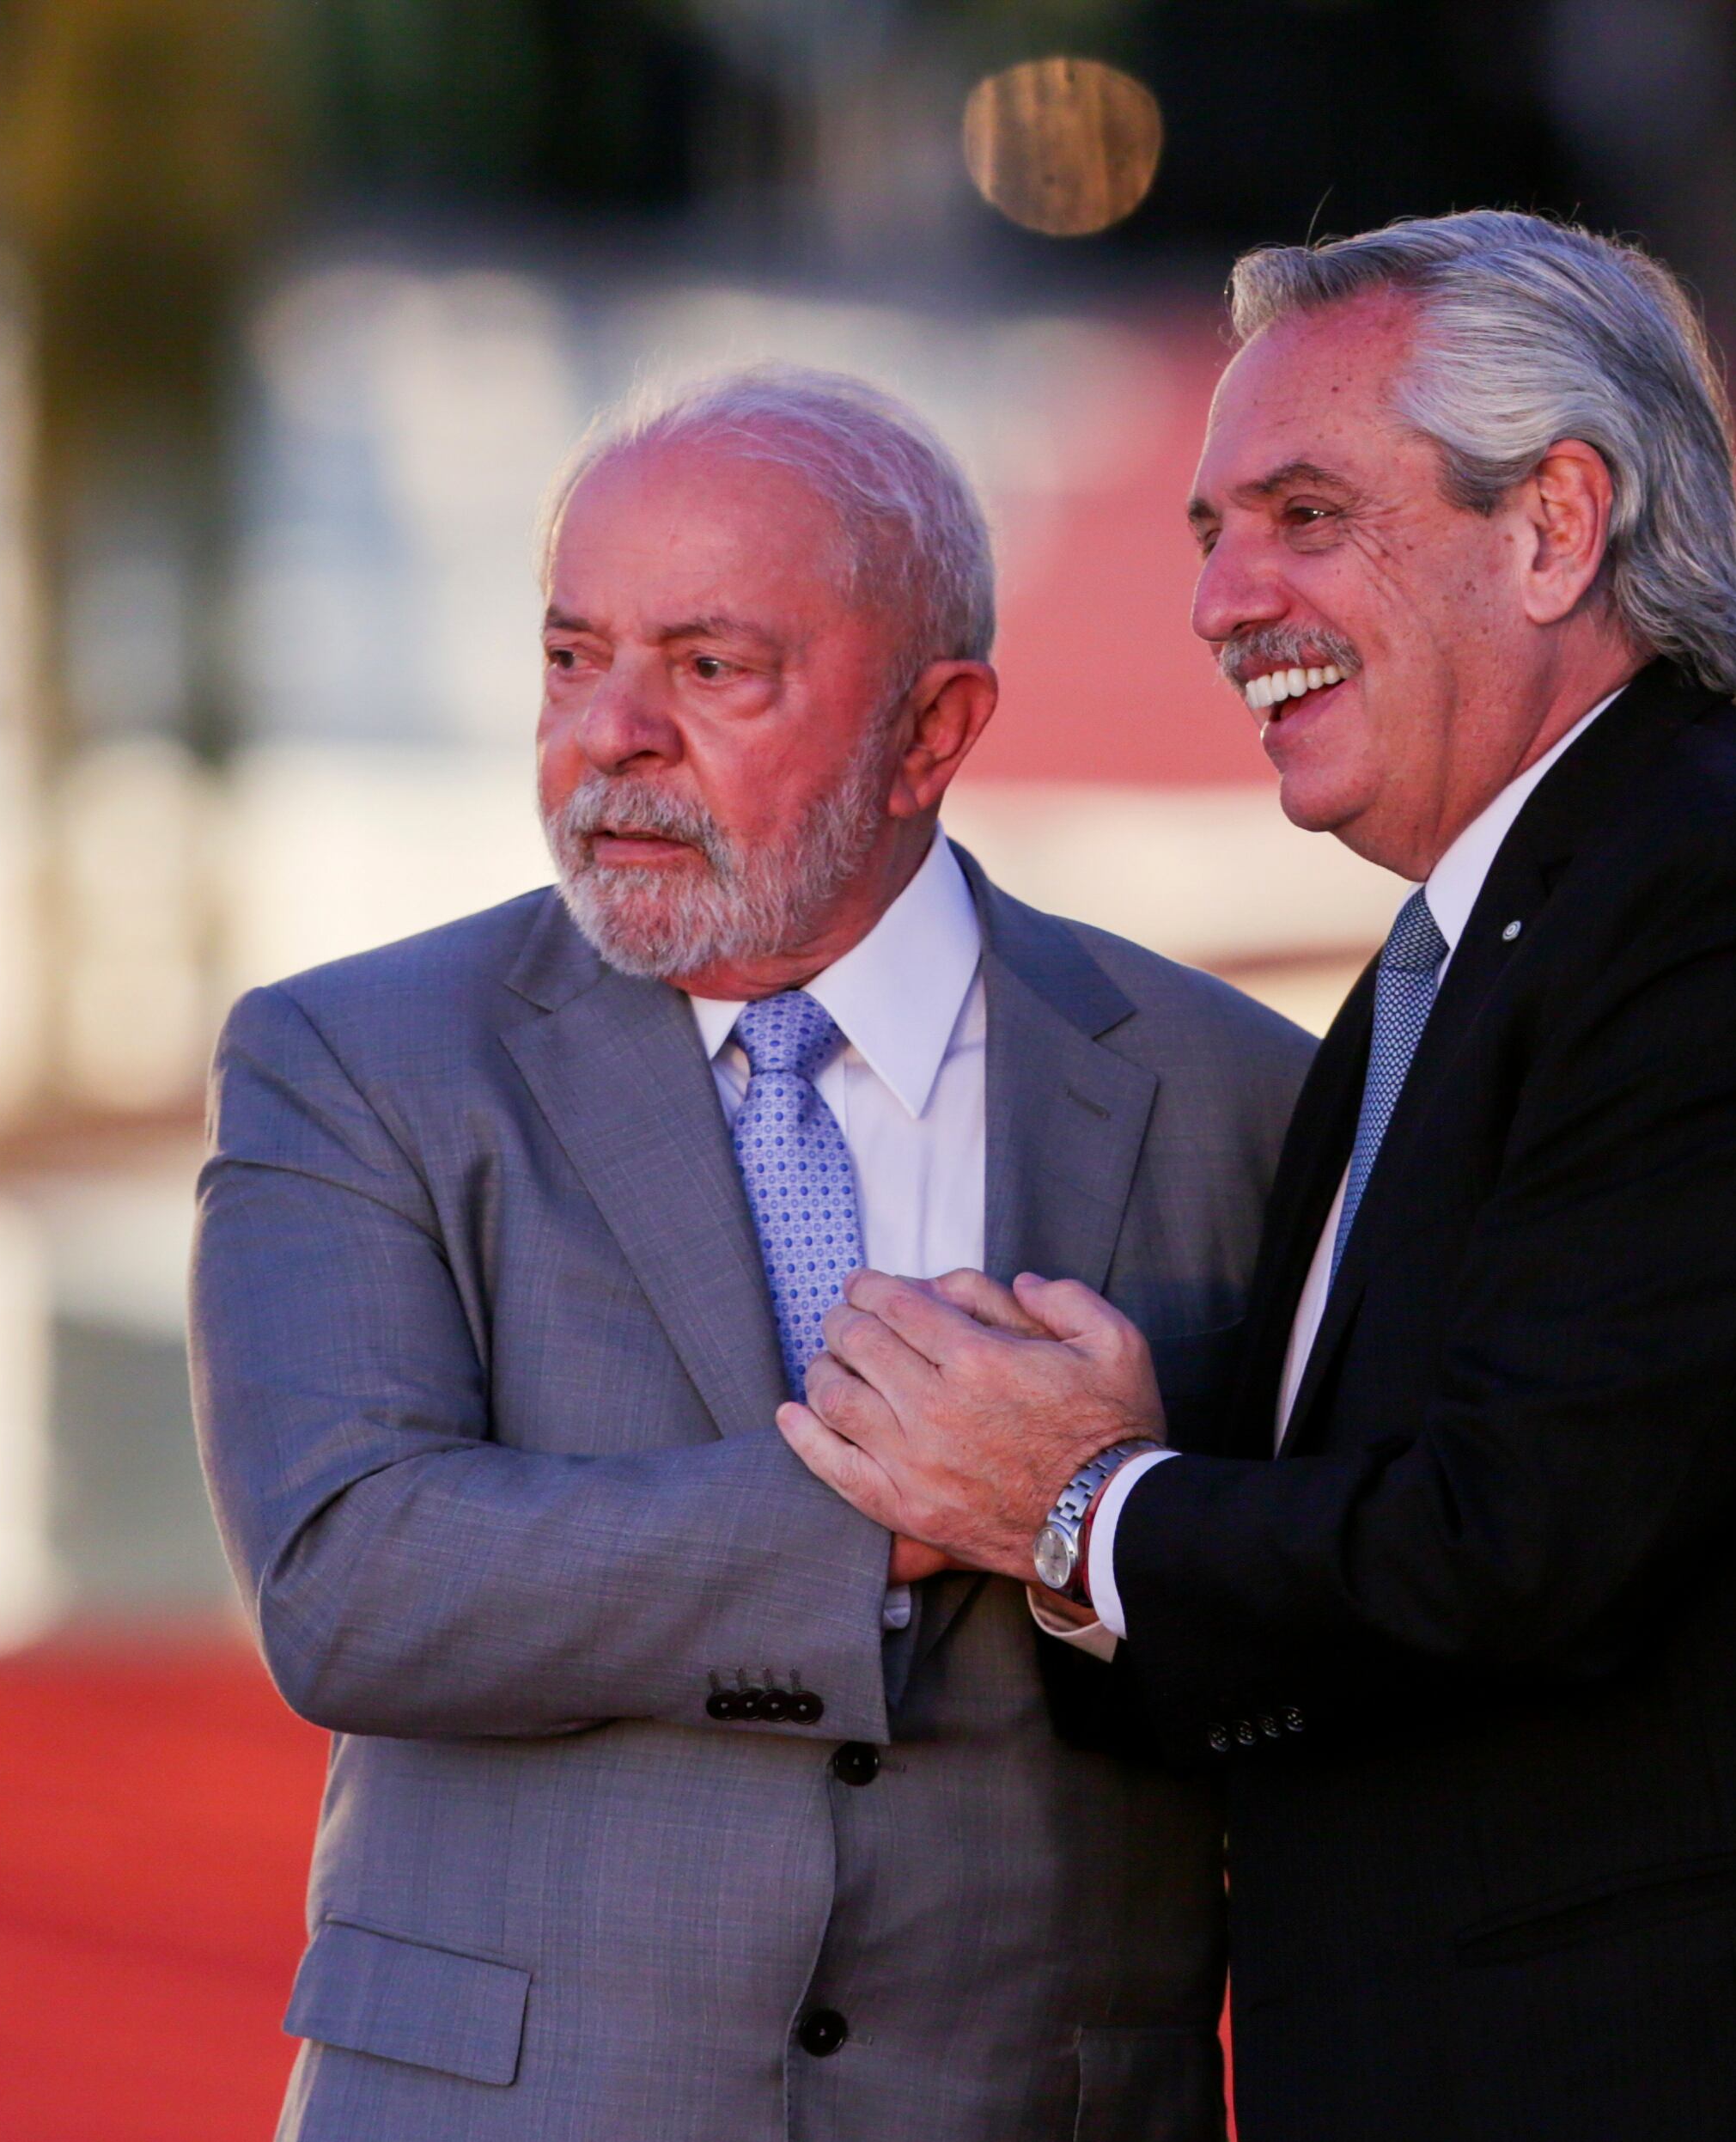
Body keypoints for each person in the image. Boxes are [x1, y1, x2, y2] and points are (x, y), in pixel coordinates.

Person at [782, 211, 1736, 2139]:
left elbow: (1517, 1545)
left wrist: (1085, 1504)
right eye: (1209, 532)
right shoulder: (1474, 952)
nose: (1221, 600)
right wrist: (1129, 1493)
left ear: (1553, 525)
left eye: (1301, 513)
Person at [190, 366, 1311, 2140]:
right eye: (571, 657)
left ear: (932, 732)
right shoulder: (354, 1059)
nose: (610, 732)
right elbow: (348, 1578)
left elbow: (1324, 1614)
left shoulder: (1236, 1095)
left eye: (711, 669)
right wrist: (926, 1493)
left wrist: (1116, 1510)